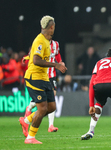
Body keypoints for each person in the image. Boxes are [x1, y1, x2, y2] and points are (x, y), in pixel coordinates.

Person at [18, 15, 67, 144]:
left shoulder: (46, 41)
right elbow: (36, 60)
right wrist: (56, 65)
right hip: (35, 78)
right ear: (52, 27)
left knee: (51, 107)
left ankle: (26, 120)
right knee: (42, 109)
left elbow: (34, 55)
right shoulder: (40, 40)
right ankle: (30, 138)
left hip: (44, 78)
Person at [19, 39, 64, 135]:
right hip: (42, 75)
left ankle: (50, 125)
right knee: (45, 101)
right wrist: (27, 57)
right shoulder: (40, 43)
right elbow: (33, 55)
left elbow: (57, 54)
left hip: (52, 75)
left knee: (52, 98)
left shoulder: (56, 44)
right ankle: (29, 110)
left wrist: (61, 62)